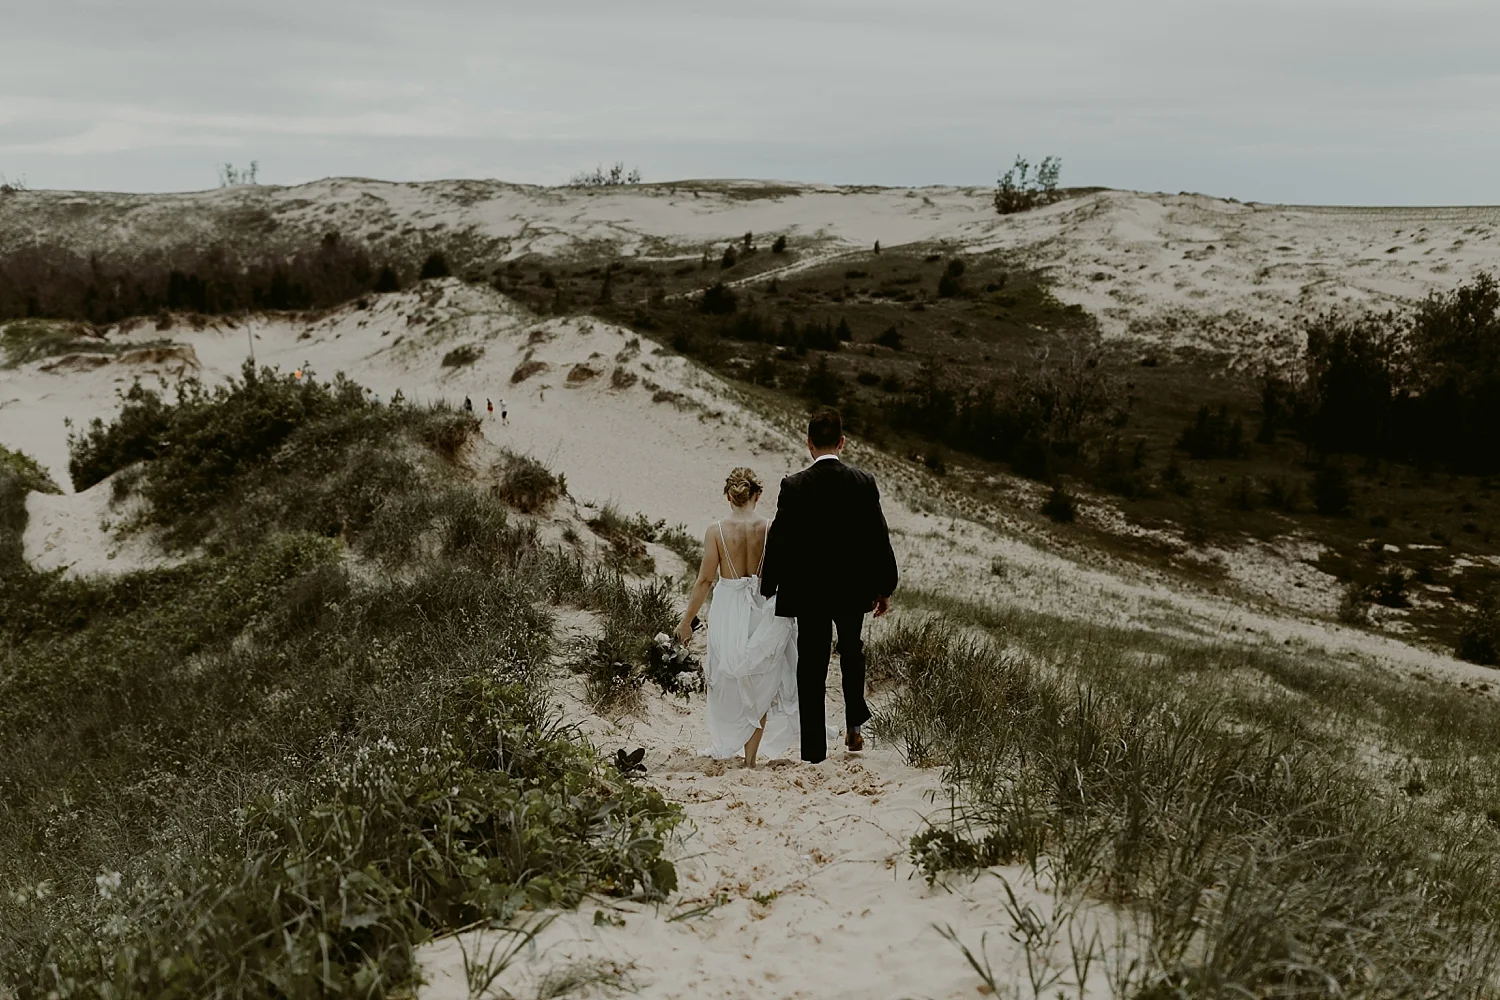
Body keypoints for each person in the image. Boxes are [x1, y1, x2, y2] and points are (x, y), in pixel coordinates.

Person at [760, 409, 898, 763]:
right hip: (852, 589)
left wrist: (769, 583)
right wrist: (884, 587)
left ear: (808, 444)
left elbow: (779, 538)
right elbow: (877, 537)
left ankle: (813, 751)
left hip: (809, 592)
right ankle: (854, 724)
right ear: (842, 442)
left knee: (811, 665)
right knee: (852, 652)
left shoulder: (794, 485)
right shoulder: (863, 482)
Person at [676, 468, 799, 767]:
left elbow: (704, 581)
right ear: (757, 495)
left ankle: (733, 739)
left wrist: (685, 622)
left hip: (729, 606)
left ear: (729, 496)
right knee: (761, 679)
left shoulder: (716, 530)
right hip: (762, 604)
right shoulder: (770, 528)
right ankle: (750, 759)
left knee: (729, 679)